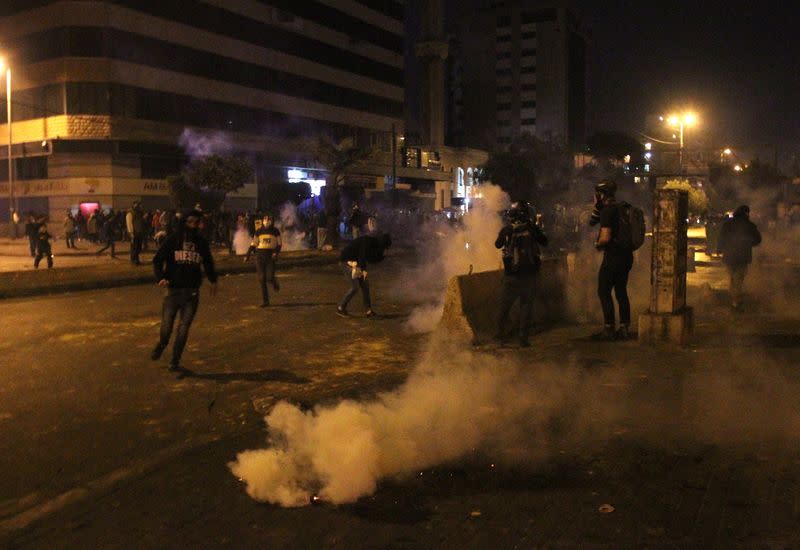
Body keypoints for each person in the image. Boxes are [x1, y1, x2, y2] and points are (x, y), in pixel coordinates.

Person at [151, 210, 218, 373]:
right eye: (190, 222)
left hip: (192, 292)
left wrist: (213, 280)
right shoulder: (173, 240)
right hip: (172, 291)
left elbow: (208, 262)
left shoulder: (201, 243)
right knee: (167, 327)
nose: (193, 225)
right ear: (184, 222)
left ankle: (175, 360)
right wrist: (160, 277)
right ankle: (162, 344)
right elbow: (157, 259)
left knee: (184, 328)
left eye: (196, 222)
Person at [494, 199, 548, 347]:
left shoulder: (507, 229)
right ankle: (523, 339)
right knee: (526, 307)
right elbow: (544, 241)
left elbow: (497, 244)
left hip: (511, 276)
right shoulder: (531, 228)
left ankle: (500, 338)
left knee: (504, 307)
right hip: (530, 276)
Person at [590, 180, 634, 340]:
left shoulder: (608, 211)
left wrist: (597, 243)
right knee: (621, 292)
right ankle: (624, 328)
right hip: (626, 257)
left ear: (601, 195)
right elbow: (592, 221)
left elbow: (605, 237)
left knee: (603, 291)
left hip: (613, 257)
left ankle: (609, 328)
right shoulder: (621, 208)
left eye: (597, 195)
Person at [336, 233, 391, 317]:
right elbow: (363, 257)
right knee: (355, 287)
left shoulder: (374, 245)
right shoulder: (367, 242)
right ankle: (341, 308)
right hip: (346, 262)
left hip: (355, 263)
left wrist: (382, 257)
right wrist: (364, 271)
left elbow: (371, 259)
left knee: (365, 286)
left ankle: (368, 311)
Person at [718, 205, 761, 311]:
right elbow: (758, 239)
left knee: (733, 277)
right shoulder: (749, 225)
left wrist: (719, 249)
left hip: (729, 256)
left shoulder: (728, 224)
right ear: (746, 213)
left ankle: (734, 298)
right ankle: (736, 301)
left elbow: (721, 237)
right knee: (738, 278)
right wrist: (749, 243)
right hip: (742, 256)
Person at [244, 213, 282, 307]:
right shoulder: (258, 231)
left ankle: (274, 282)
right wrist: (247, 255)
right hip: (260, 256)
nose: (267, 221)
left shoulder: (276, 231)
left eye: (269, 219)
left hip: (270, 256)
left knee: (269, 277)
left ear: (272, 221)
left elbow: (279, 244)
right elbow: (253, 244)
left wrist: (275, 253)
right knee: (262, 279)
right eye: (265, 219)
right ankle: (265, 301)